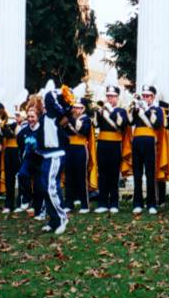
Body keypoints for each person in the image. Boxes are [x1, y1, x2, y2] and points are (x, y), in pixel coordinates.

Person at [93, 69, 130, 214]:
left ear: (117, 97)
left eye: (112, 96)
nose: (109, 99)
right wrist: (98, 113)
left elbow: (122, 125)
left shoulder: (121, 111)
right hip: (102, 143)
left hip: (115, 144)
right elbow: (95, 125)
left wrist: (111, 112)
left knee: (114, 174)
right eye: (108, 96)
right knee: (102, 173)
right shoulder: (101, 109)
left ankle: (114, 202)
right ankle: (102, 202)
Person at [36, 81, 70, 234]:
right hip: (46, 155)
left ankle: (62, 218)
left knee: (51, 188)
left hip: (56, 155)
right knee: (45, 188)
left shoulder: (58, 115)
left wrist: (57, 93)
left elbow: (52, 101)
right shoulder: (44, 117)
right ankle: (54, 219)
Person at [130, 78, 166, 215]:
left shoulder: (157, 110)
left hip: (150, 142)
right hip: (137, 141)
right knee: (137, 174)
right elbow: (130, 122)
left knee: (150, 174)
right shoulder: (137, 108)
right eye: (144, 95)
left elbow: (157, 125)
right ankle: (137, 202)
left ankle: (152, 203)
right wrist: (135, 109)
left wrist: (146, 110)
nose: (145, 98)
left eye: (148, 96)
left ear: (153, 96)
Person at [63, 83, 93, 214]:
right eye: (74, 107)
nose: (76, 110)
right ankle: (69, 203)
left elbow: (83, 130)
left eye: (79, 108)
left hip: (81, 148)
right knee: (69, 176)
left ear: (83, 109)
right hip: (69, 148)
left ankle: (85, 204)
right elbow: (62, 128)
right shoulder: (69, 118)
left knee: (81, 176)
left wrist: (71, 118)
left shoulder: (86, 119)